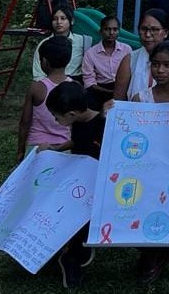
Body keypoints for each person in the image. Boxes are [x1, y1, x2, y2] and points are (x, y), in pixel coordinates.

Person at [126, 41, 169, 289]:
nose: (161, 70)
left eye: (168, 65)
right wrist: (112, 111)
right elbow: (130, 133)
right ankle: (155, 252)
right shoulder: (140, 99)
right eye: (156, 64)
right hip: (148, 169)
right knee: (148, 205)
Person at [46, 81, 107, 289]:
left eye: (56, 117)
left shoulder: (103, 124)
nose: (55, 120)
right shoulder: (78, 123)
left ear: (71, 114)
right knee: (77, 221)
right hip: (80, 182)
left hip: (99, 183)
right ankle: (71, 256)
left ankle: (74, 255)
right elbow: (78, 141)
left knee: (88, 222)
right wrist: (57, 148)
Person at [114, 10, 169, 101]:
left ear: (166, 32)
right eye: (143, 29)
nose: (148, 35)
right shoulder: (130, 59)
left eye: (155, 29)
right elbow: (119, 100)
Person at [17, 37, 72, 162]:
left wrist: (20, 151)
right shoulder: (75, 87)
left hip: (36, 147)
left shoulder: (36, 88)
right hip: (64, 147)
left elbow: (25, 122)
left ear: (45, 62)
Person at [80, 15, 131, 109]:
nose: (111, 33)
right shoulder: (90, 53)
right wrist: (109, 92)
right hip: (100, 90)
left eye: (115, 29)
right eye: (107, 29)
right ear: (101, 31)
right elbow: (89, 82)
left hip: (124, 87)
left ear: (119, 31)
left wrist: (120, 91)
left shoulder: (126, 50)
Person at [31, 7, 86, 81]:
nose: (59, 22)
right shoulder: (45, 44)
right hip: (50, 83)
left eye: (63, 18)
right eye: (55, 19)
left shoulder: (82, 41)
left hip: (75, 82)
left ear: (72, 21)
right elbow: (38, 74)